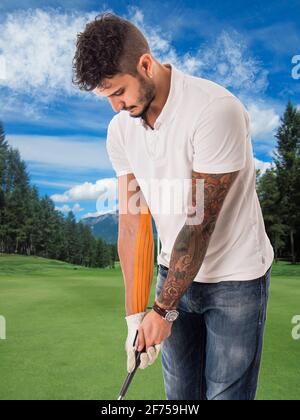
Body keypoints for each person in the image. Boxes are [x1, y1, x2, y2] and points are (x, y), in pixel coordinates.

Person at [72, 12, 274, 400]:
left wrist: (162, 310)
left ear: (145, 64)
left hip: (236, 277)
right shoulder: (120, 130)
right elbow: (132, 222)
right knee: (179, 398)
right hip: (174, 270)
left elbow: (198, 222)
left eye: (118, 92)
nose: (115, 106)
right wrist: (136, 313)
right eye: (107, 97)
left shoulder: (215, 110)